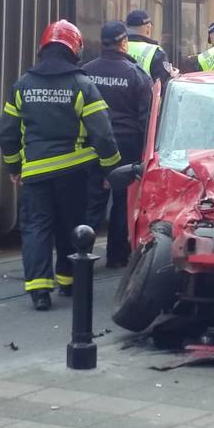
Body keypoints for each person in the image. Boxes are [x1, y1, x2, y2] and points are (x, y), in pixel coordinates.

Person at [0, 19, 121, 311]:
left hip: (36, 173)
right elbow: (103, 134)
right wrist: (110, 170)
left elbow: (5, 132)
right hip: (73, 173)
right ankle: (68, 280)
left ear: (43, 48)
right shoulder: (82, 86)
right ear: (75, 50)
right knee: (72, 226)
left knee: (36, 228)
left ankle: (39, 290)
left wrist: (14, 167)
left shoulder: (22, 86)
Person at [82, 21, 152, 268]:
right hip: (127, 145)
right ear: (124, 43)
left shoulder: (86, 71)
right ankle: (117, 255)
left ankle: (82, 254)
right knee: (123, 201)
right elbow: (145, 117)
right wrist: (146, 151)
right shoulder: (136, 74)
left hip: (93, 145)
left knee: (93, 201)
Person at [125, 9, 177, 90]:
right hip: (146, 101)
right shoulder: (155, 52)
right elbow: (163, 86)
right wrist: (172, 78)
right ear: (148, 28)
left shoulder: (117, 47)